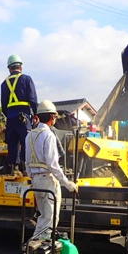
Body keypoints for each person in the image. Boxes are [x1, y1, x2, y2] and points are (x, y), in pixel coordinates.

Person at [25, 100, 79, 239]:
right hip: (48, 181)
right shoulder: (48, 135)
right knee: (51, 219)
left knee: (43, 217)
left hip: (36, 181)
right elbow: (53, 164)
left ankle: (35, 246)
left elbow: (27, 161)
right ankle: (43, 249)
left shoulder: (29, 135)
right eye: (54, 116)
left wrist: (32, 177)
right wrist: (67, 183)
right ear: (51, 117)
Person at [0, 54, 38, 174]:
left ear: (9, 68)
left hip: (11, 117)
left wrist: (9, 115)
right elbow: (32, 99)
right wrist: (36, 114)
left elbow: (3, 105)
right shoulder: (26, 79)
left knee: (12, 142)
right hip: (24, 116)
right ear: (20, 67)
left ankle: (14, 168)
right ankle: (25, 167)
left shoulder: (4, 83)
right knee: (26, 141)